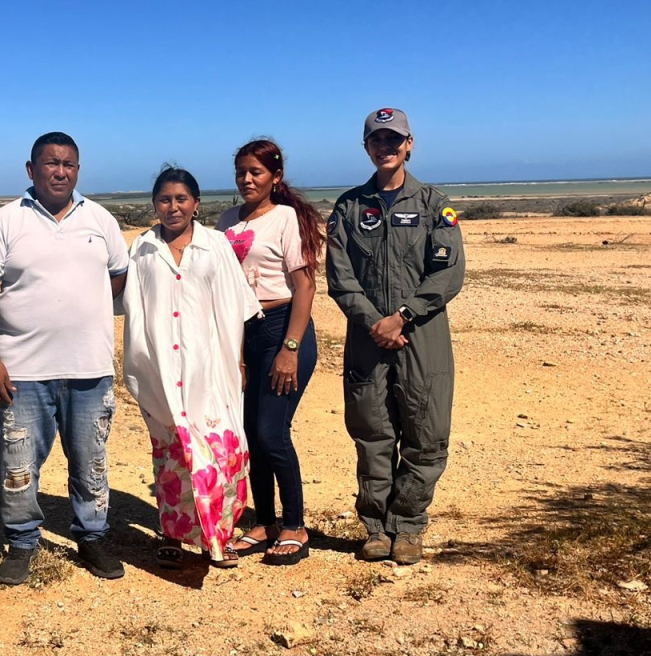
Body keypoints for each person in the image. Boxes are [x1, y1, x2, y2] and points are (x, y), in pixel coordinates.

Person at [0, 132, 130, 585]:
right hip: (21, 372)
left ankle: (92, 537)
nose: (60, 172)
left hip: (89, 369)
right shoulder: (5, 222)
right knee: (17, 462)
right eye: (51, 163)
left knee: (91, 461)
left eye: (69, 165)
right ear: (31, 169)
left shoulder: (99, 219)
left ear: (78, 170)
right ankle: (22, 542)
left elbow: (118, 278)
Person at [325, 108, 465, 565]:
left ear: (410, 144)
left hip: (421, 336)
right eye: (376, 141)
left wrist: (402, 316)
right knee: (372, 432)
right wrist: (374, 322)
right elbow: (340, 278)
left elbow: (447, 274)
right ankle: (375, 528)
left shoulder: (433, 205)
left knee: (426, 432)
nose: (385, 148)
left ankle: (408, 526)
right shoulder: (348, 208)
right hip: (368, 337)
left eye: (394, 140)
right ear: (366, 147)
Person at [120, 166, 261, 568]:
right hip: (161, 368)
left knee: (222, 450)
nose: (173, 207)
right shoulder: (142, 249)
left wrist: (238, 361)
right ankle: (173, 531)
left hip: (210, 367)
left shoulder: (215, 245)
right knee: (172, 453)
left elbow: (236, 307)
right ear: (155, 205)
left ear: (196, 204)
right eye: (165, 199)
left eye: (181, 199)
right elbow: (133, 308)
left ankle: (220, 534)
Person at [216, 139, 325, 566]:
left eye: (256, 172)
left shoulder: (286, 219)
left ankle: (295, 525)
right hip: (243, 331)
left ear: (275, 177)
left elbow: (305, 286)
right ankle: (264, 522)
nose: (247, 179)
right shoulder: (227, 221)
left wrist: (290, 349)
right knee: (249, 435)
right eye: (241, 172)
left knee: (271, 433)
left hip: (283, 327)